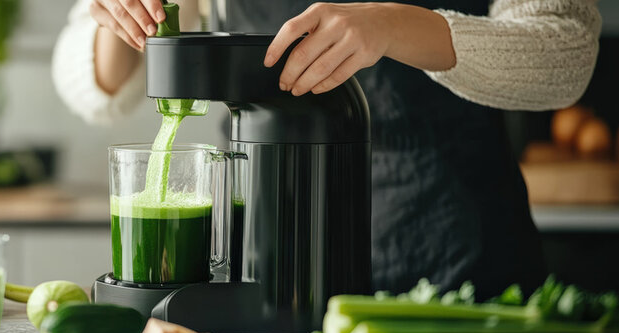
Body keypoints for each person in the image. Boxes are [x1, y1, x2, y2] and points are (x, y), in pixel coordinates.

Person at [52, 0, 602, 299]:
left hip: (461, 261)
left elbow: (566, 52)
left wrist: (392, 24)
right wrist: (122, 17)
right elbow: (94, 83)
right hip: (266, 269)